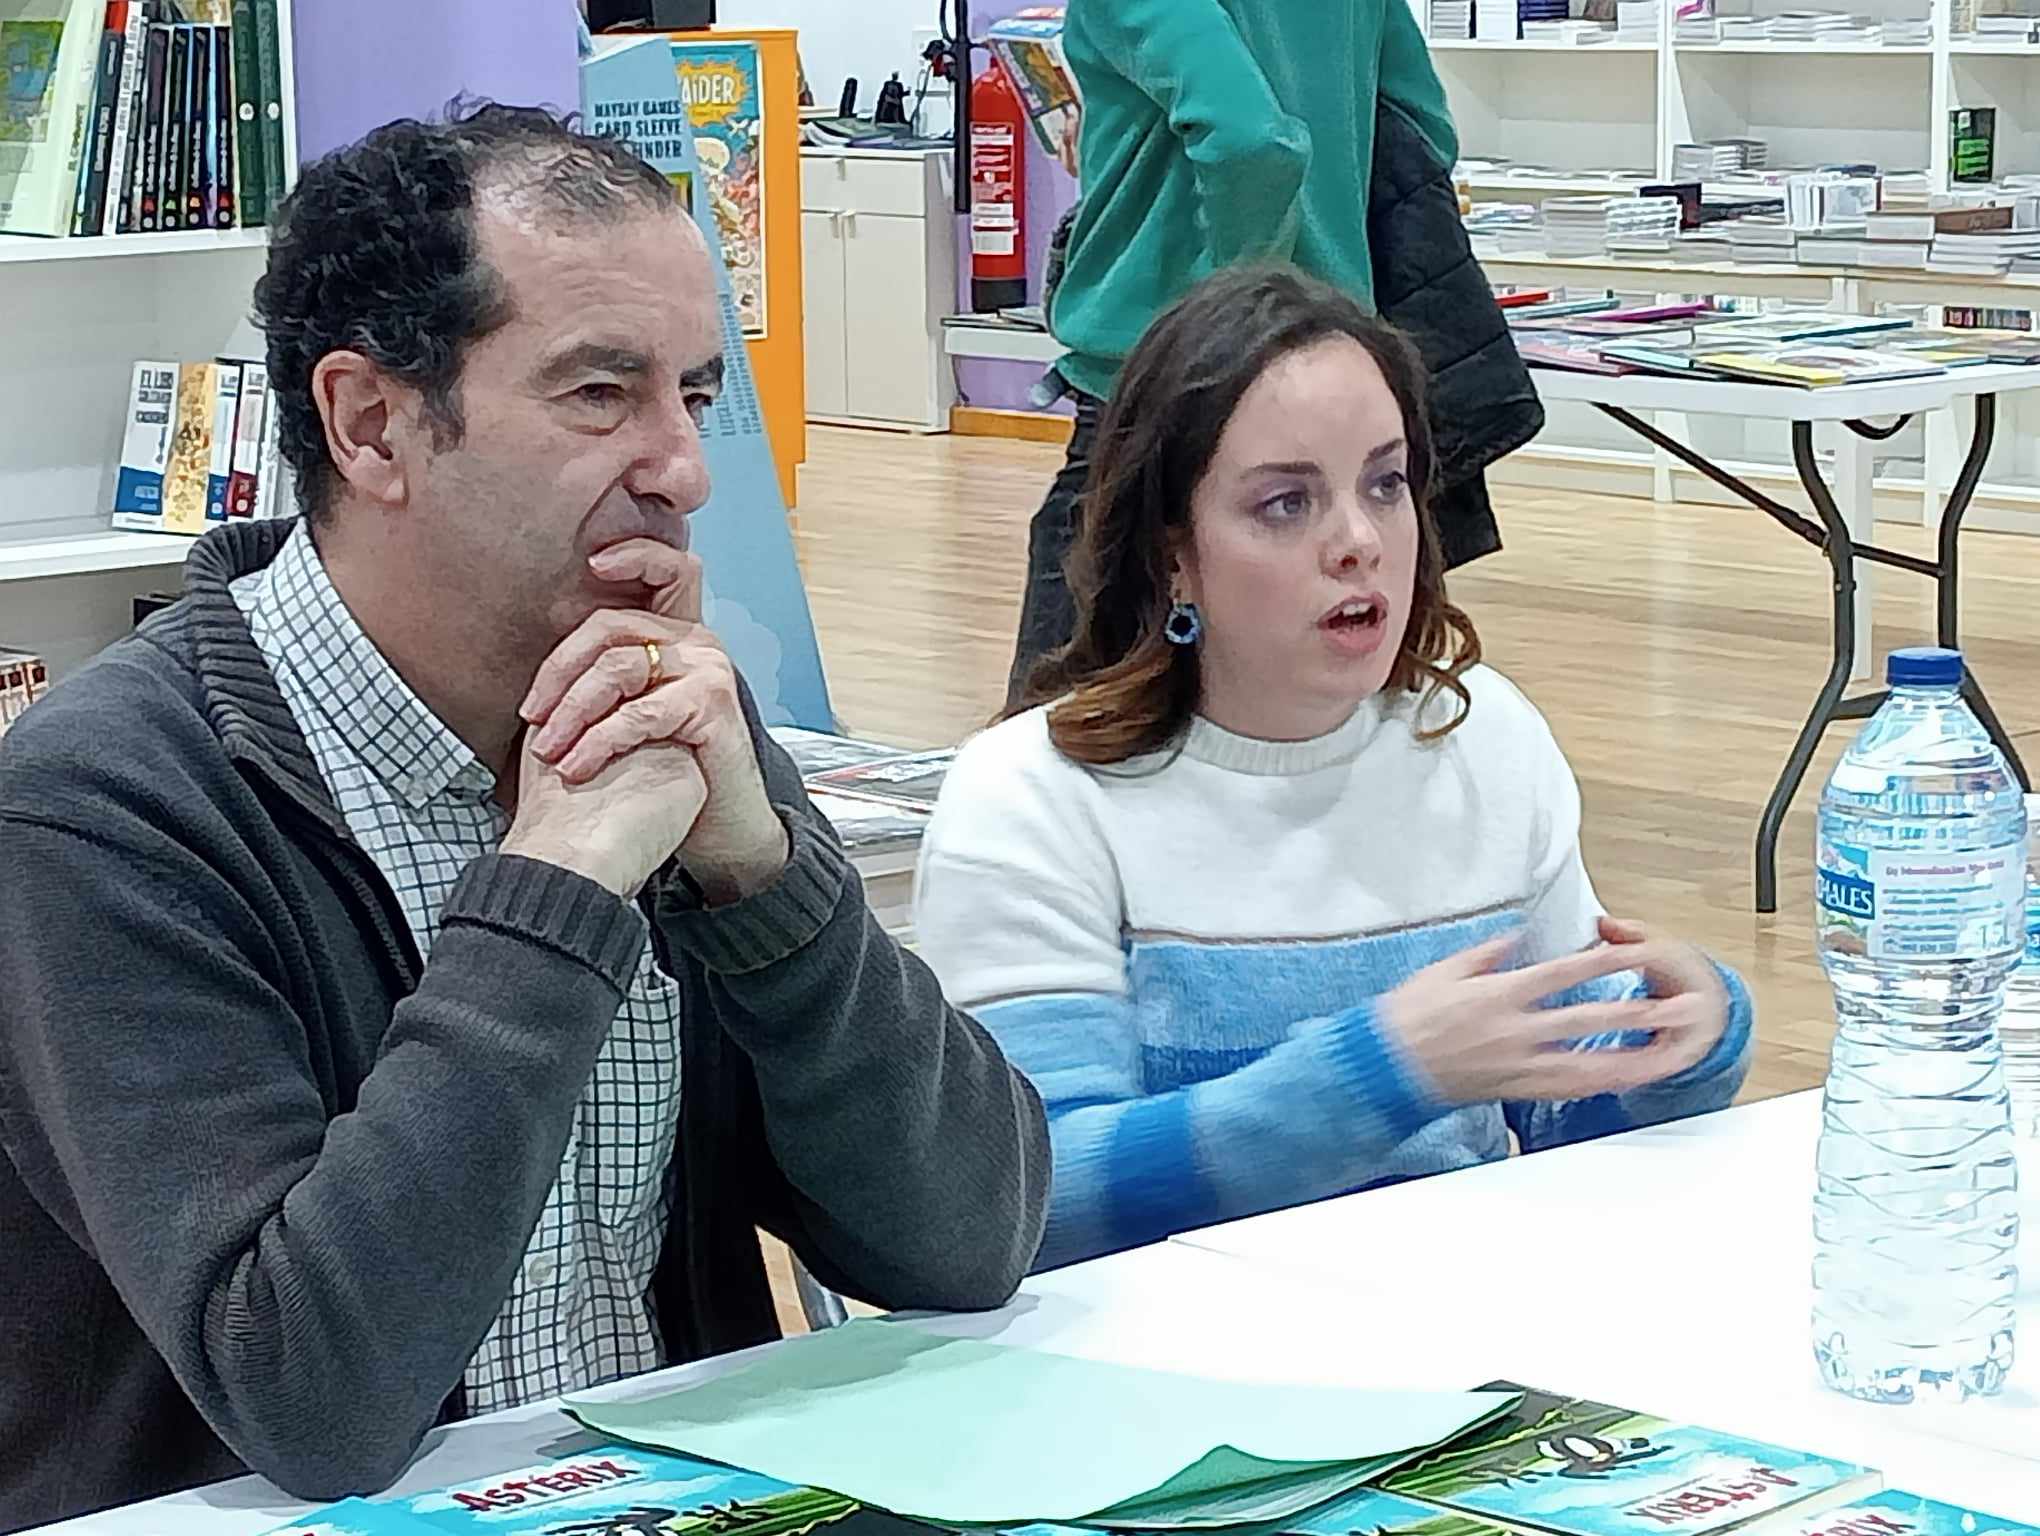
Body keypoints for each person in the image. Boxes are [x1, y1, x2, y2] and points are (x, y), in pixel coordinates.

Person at [0, 104, 1048, 1531]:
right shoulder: (108, 805)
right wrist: (556, 888)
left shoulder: (661, 712)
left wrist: (763, 881)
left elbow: (969, 1239)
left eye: (695, 395)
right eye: (601, 394)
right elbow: (312, 1397)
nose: (685, 470)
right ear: (371, 426)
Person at [918, 266, 1752, 1275]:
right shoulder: (1032, 797)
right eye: (1285, 503)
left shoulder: (1482, 732)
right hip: (1161, 1349)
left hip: (1458, 1318)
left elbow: (1563, 1118)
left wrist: (1681, 1041)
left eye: (1385, 485)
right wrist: (1380, 1075)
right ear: (1174, 553)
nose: (1358, 542)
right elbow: (1036, 1202)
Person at [1006, 0, 1465, 703]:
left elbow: (1251, 144)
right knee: (1309, 707)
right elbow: (1424, 132)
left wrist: (1232, 322)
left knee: (1063, 727)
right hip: (1333, 358)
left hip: (1162, 380)